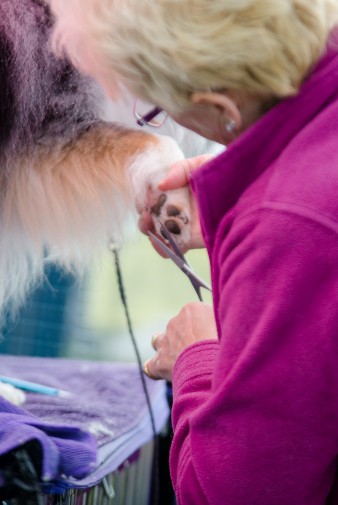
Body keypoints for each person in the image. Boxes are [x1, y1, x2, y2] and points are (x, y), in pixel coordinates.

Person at [51, 1, 338, 503]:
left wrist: (199, 354)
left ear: (223, 108)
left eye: (155, 109)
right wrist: (236, 199)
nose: (153, 119)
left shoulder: (289, 223)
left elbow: (234, 494)